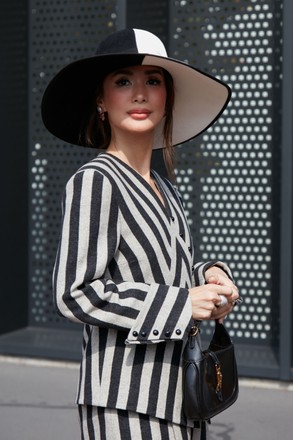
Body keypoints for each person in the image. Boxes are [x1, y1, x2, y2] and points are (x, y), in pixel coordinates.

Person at [41, 28, 240, 440]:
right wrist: (183, 304)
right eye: (123, 81)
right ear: (101, 99)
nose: (139, 93)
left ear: (167, 99)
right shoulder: (96, 181)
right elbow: (75, 292)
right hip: (124, 402)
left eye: (153, 81)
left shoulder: (165, 188)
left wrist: (208, 276)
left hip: (183, 396)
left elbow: (157, 266)